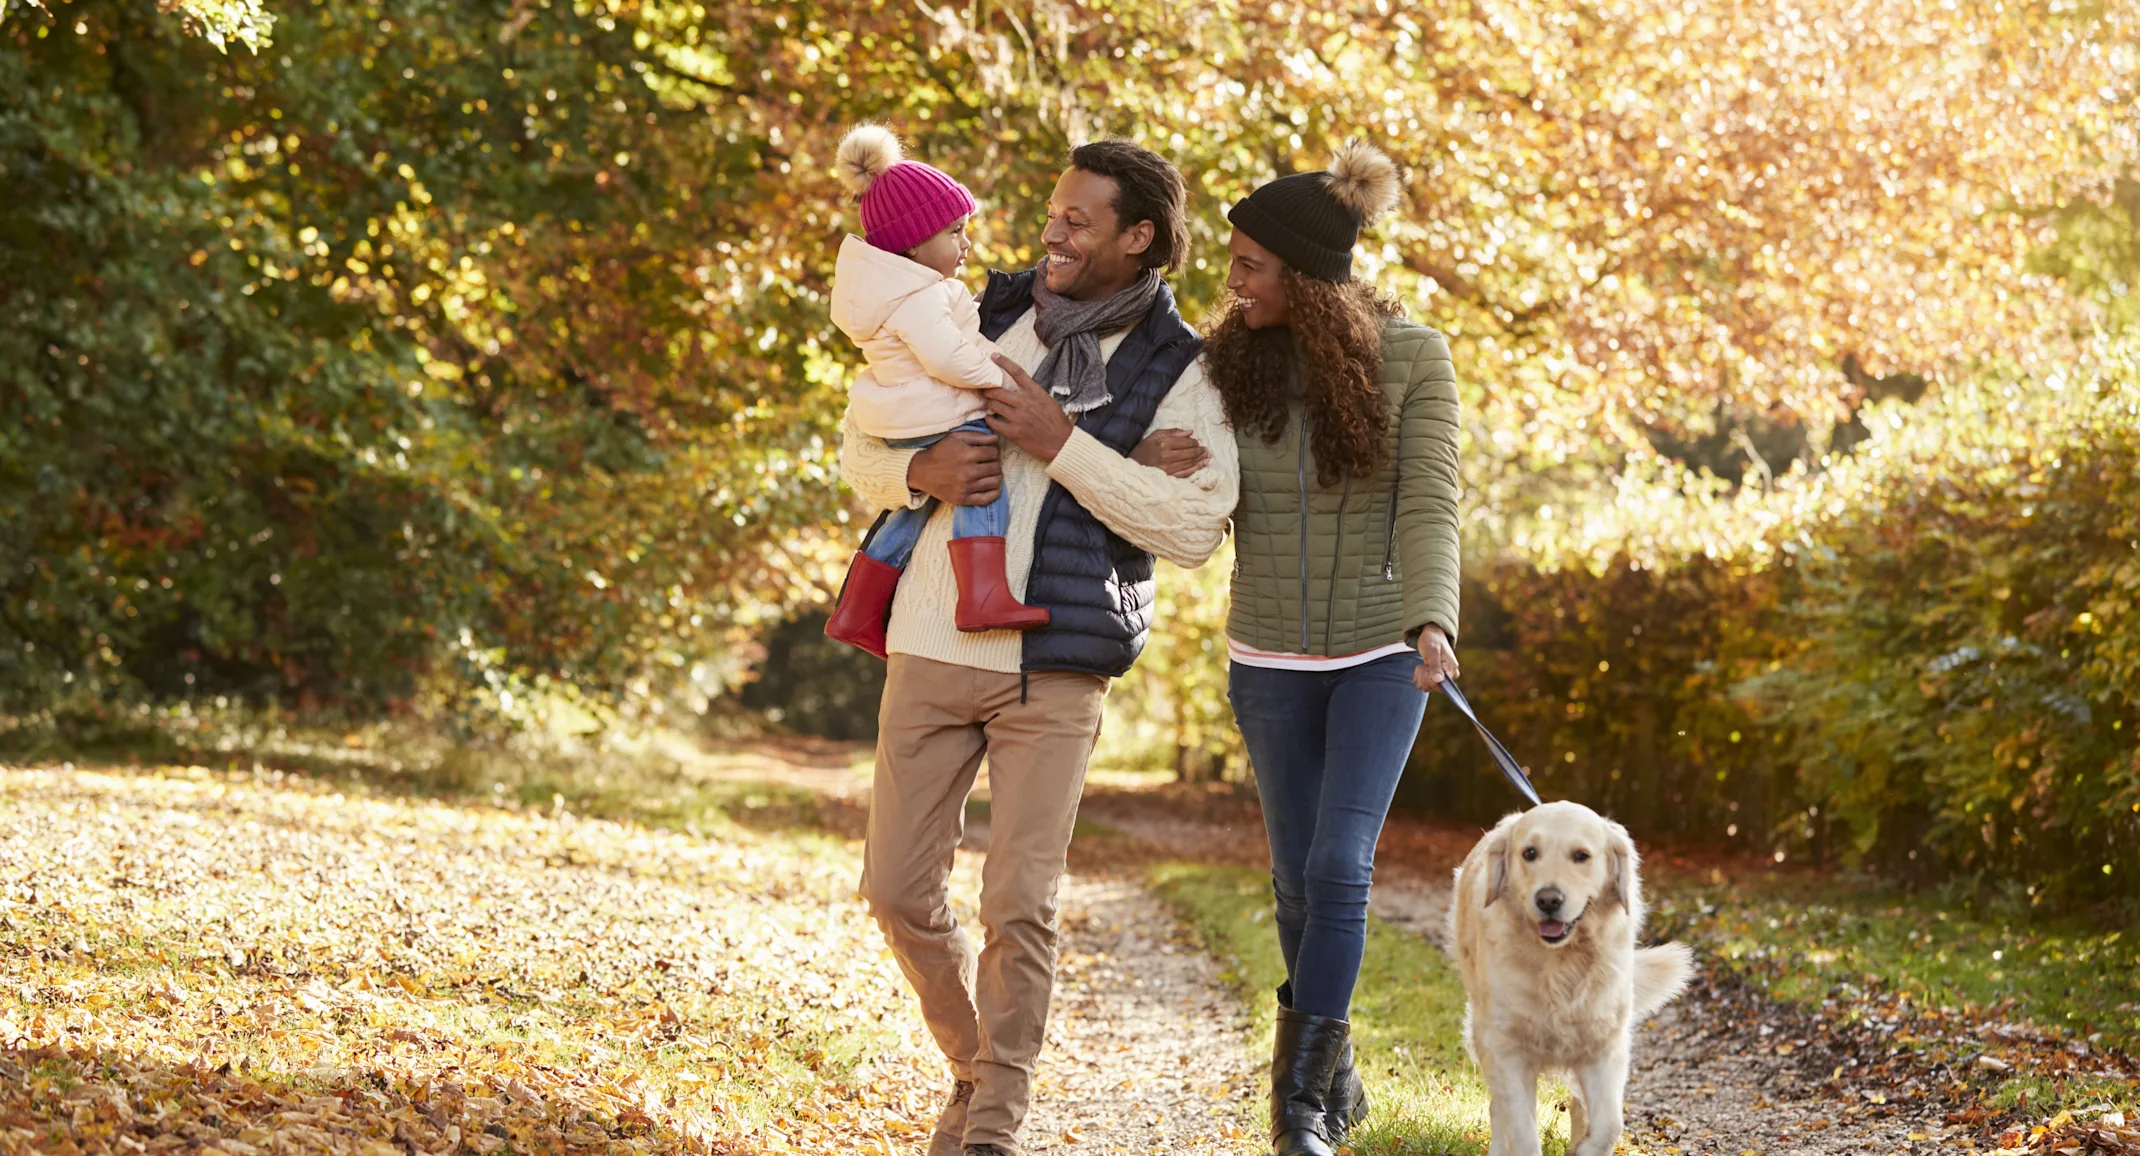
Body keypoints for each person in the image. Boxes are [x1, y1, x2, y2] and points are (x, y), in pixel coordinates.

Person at [835, 139, 1238, 1156]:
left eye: (1076, 220)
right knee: (894, 889)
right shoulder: (978, 305)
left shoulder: (1183, 367)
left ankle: (991, 1130)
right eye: (1052, 213)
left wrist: (1067, 443)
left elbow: (1190, 530)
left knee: (1018, 905)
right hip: (929, 639)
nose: (1049, 232)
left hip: (1055, 664)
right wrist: (916, 470)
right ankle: (977, 1068)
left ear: (1136, 237)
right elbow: (858, 442)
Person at [1207, 140, 1463, 1156]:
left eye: (1247, 265)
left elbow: (1431, 504)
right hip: (1266, 653)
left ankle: (1296, 1108)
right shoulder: (1225, 361)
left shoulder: (1415, 356)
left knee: (1337, 861)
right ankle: (1334, 1071)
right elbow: (1191, 489)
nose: (1230, 281)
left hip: (1378, 651)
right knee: (1293, 877)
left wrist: (1431, 620)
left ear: (1303, 278)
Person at [823, 125, 1048, 654]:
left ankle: (857, 609)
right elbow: (946, 356)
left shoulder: (898, 289)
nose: (966, 243)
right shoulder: (917, 297)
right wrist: (998, 377)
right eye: (954, 232)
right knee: (982, 481)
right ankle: (983, 593)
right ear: (914, 245)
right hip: (935, 413)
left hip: (905, 417)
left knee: (910, 511)